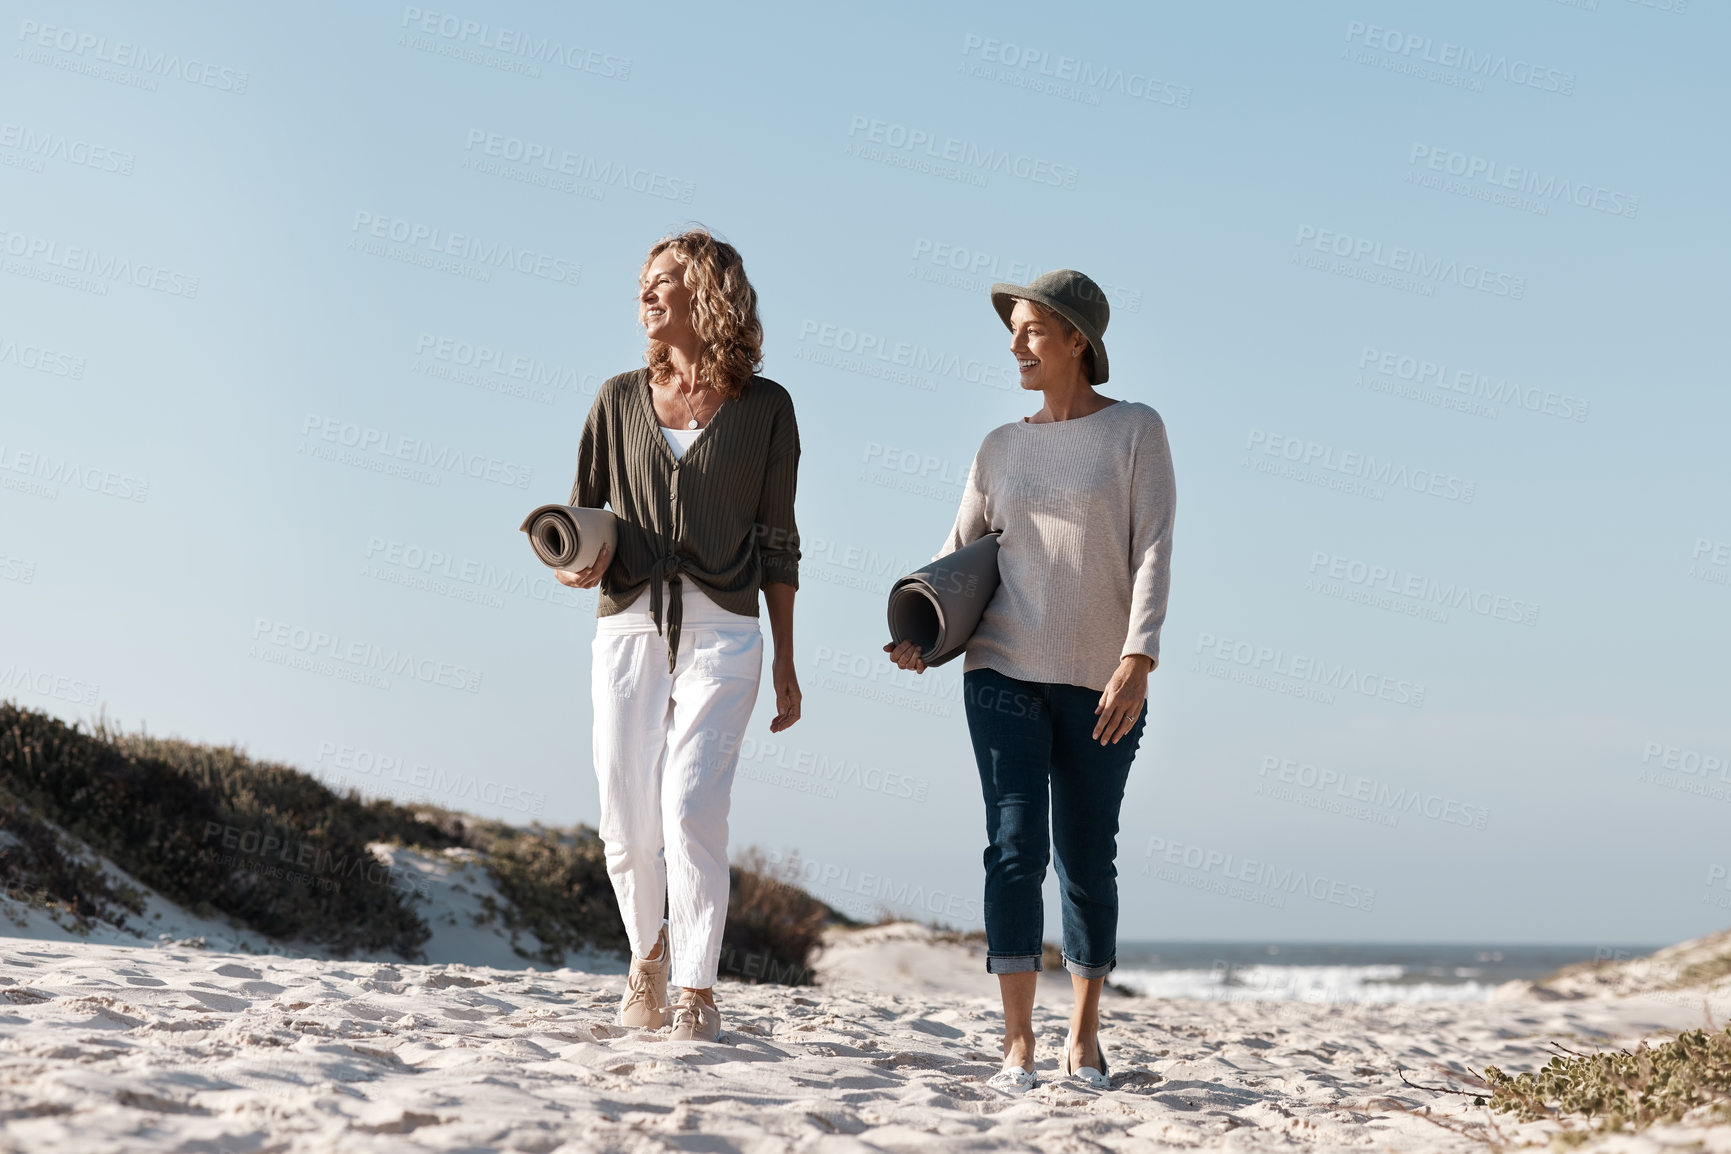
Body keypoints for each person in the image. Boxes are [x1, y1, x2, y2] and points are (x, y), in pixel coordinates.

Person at [885, 269, 1175, 1092]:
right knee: (1014, 849)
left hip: (1098, 679)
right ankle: (1016, 1042)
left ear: (1076, 340)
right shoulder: (998, 446)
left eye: (1031, 330)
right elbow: (957, 558)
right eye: (1010, 330)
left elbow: (1152, 548)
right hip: (1001, 670)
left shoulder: (1134, 432)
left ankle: (1082, 1037)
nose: (1014, 344)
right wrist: (921, 637)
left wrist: (1138, 657)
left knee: (1086, 858)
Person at [556, 228, 802, 1043]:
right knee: (625, 818)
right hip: (627, 624)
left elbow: (778, 539)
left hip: (726, 629)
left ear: (709, 292)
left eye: (663, 280)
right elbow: (579, 515)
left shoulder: (766, 409)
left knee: (692, 805)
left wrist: (788, 664)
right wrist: (571, 563)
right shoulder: (615, 399)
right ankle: (647, 960)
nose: (646, 294)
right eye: (642, 282)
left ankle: (696, 987)